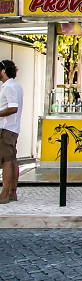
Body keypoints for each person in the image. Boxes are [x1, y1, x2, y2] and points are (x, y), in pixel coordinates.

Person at [0, 60, 22, 203]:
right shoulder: (16, 86)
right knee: (12, 160)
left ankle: (5, 194)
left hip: (6, 128)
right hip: (12, 128)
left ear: (3, 71)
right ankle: (12, 192)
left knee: (6, 161)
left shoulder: (9, 87)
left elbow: (13, 108)